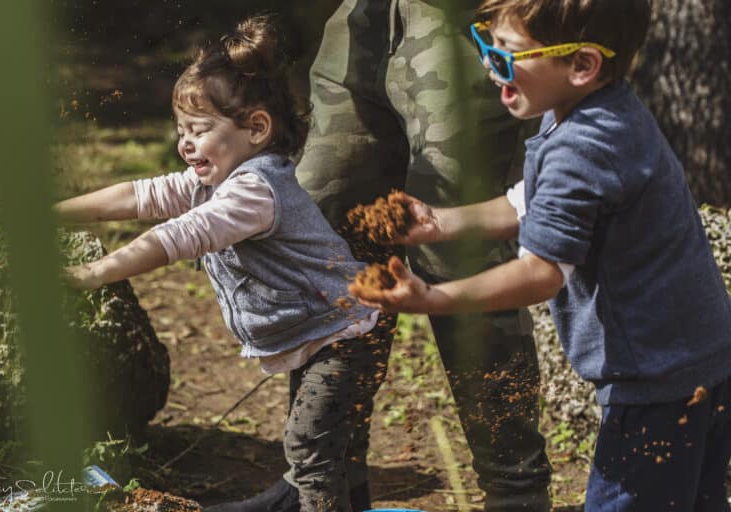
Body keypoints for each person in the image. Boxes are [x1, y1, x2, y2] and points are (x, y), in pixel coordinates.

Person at [351, 0, 731, 510]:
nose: (490, 64)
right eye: (489, 43)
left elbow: (541, 273)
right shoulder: (607, 112)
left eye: (507, 54)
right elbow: (529, 201)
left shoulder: (581, 149)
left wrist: (433, 297)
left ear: (581, 65)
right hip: (703, 359)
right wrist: (440, 223)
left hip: (653, 387)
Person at [219, 2, 553, 512]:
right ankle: (321, 482)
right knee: (324, 231)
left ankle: (516, 493)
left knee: (456, 251)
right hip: (362, 21)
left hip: (462, 23)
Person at [55, 15, 392, 512]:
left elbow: (179, 235)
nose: (184, 143)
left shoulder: (255, 190)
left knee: (310, 448)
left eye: (199, 129)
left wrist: (92, 274)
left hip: (343, 337)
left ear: (256, 128)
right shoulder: (214, 182)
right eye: (180, 130)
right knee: (328, 447)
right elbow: (140, 195)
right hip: (321, 332)